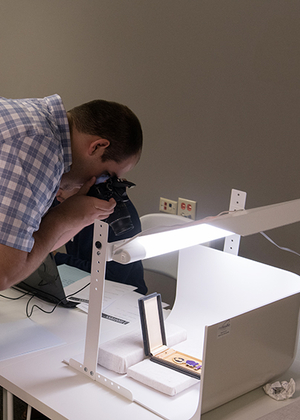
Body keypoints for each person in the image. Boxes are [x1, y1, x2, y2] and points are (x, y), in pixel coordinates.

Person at [0, 94, 142, 291]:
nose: (102, 184)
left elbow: (35, 248)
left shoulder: (34, 118)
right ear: (97, 147)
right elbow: (4, 273)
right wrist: (63, 217)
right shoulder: (41, 146)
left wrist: (81, 217)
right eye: (105, 174)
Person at [54, 191, 147, 295]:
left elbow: (111, 276)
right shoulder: (65, 199)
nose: (57, 193)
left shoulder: (121, 217)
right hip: (80, 282)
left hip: (121, 294)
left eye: (64, 186)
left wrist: (57, 258)